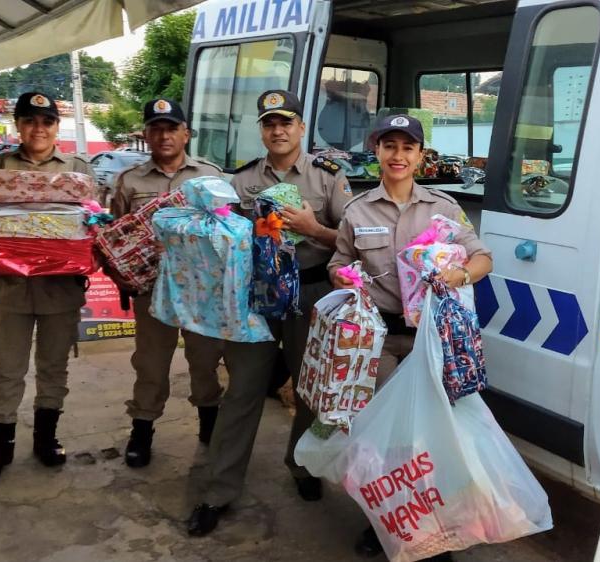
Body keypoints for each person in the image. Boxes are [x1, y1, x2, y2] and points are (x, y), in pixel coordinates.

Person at [186, 89, 352, 537]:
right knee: (242, 390)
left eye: (286, 122)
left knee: (310, 390)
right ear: (261, 129)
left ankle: (302, 466)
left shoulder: (327, 177)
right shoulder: (239, 181)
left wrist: (312, 228)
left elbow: (351, 240)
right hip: (254, 297)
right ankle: (218, 491)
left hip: (312, 291)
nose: (278, 131)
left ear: (301, 127)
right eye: (269, 123)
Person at [328, 114, 493, 560]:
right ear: (377, 152)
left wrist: (455, 275)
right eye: (389, 146)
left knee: (433, 433)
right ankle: (383, 522)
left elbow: (482, 259)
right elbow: (339, 260)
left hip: (431, 341)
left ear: (420, 156)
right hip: (379, 337)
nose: (398, 156)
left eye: (407, 147)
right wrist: (342, 278)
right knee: (383, 435)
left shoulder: (443, 207)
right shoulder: (356, 210)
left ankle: (436, 525)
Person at [0, 91, 94, 481]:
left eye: (46, 121)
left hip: (60, 289)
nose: (38, 128)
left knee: (53, 367)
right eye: (29, 121)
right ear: (18, 125)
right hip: (11, 288)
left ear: (57, 127)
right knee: (6, 367)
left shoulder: (78, 170)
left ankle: (46, 439)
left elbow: (93, 225)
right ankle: (0, 445)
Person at [108, 98, 227, 468]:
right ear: (145, 135)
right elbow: (112, 239)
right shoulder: (130, 181)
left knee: (205, 361)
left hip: (201, 290)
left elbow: (228, 231)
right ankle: (142, 431)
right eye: (156, 128)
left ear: (186, 133)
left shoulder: (211, 177)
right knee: (150, 363)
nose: (164, 136)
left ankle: (210, 426)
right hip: (153, 289)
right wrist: (122, 279)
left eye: (171, 128)